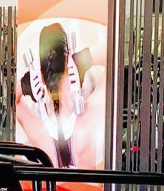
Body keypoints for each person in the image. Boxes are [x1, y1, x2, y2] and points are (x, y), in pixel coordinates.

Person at [16, 22, 105, 169]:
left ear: (42, 72)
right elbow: (115, 57)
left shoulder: (39, 132)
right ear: (69, 64)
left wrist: (26, 84)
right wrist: (83, 60)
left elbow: (10, 100)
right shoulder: (88, 118)